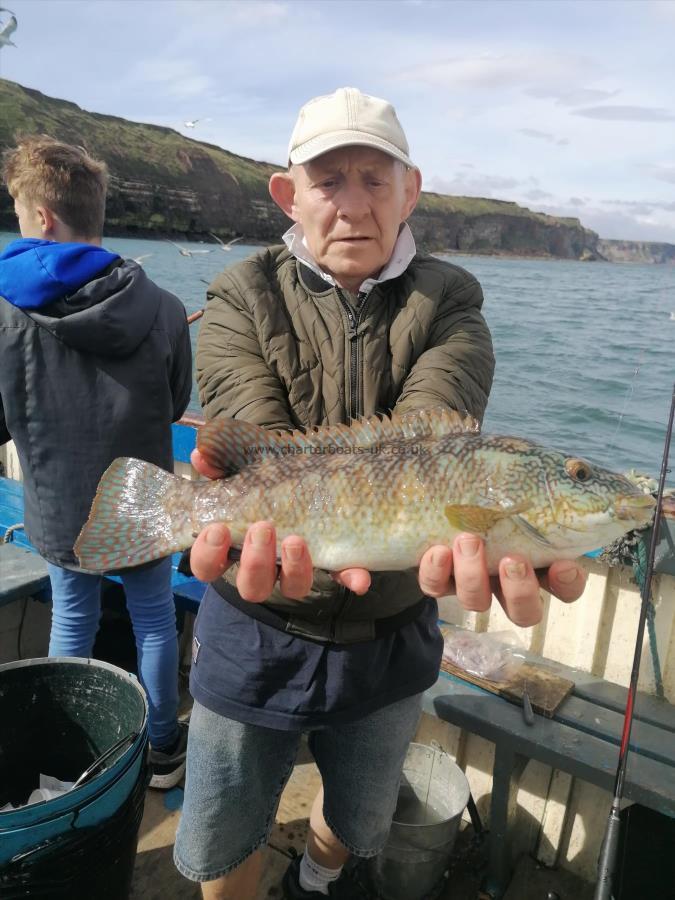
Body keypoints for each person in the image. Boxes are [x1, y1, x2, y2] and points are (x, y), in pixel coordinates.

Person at [173, 88, 588, 899]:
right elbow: (246, 439)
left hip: (393, 631)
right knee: (222, 830)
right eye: (330, 181)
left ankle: (317, 883)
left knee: (359, 816)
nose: (354, 206)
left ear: (411, 191)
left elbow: (431, 436)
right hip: (252, 623)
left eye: (375, 179)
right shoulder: (237, 292)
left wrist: (512, 534)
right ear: (287, 194)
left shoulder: (454, 300)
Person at [0, 136, 193, 789]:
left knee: (73, 617)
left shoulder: (6, 311)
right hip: (142, 503)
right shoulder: (164, 307)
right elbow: (175, 403)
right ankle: (163, 750)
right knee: (154, 618)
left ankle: (71, 760)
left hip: (58, 505)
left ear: (43, 219)